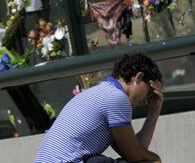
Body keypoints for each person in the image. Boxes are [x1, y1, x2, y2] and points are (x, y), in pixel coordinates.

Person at [34, 53, 163, 163]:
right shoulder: (116, 98)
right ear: (138, 77)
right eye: (150, 92)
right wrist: (156, 159)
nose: (147, 100)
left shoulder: (103, 92)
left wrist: (154, 111)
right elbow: (134, 154)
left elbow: (136, 151)